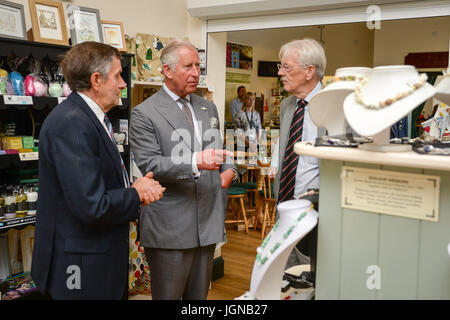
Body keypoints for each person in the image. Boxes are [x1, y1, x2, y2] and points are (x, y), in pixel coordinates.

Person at [31, 42, 165, 300]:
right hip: (81, 268)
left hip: (93, 260)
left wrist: (133, 189)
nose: (124, 83)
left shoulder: (88, 118)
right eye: (118, 76)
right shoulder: (73, 123)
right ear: (96, 80)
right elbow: (91, 204)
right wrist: (136, 194)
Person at [129, 39, 238, 300]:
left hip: (208, 220)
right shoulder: (145, 113)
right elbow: (151, 164)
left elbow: (220, 150)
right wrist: (195, 162)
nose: (195, 72)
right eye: (188, 66)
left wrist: (231, 171)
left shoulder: (206, 107)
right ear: (167, 70)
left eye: (198, 66)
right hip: (171, 226)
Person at [271, 38, 327, 285]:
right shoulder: (286, 106)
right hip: (284, 205)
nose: (281, 73)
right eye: (280, 67)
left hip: (318, 210)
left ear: (309, 71)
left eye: (287, 67)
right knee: (286, 276)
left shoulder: (333, 106)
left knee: (315, 276)